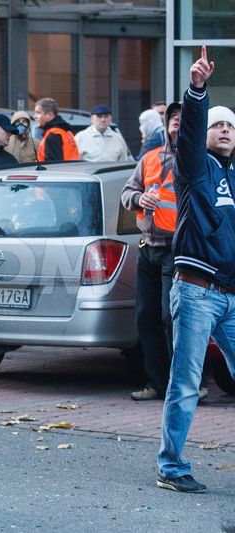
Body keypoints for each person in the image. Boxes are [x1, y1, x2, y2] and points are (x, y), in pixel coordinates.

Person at [157, 46, 235, 494]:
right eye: (217, 124)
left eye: (230, 125)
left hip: (230, 293)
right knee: (185, 382)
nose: (224, 130)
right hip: (195, 289)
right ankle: (171, 467)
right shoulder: (194, 167)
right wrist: (198, 89)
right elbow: (187, 135)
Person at [121, 102, 209, 402]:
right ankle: (156, 383)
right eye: (173, 117)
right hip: (148, 248)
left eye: (183, 119)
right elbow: (126, 193)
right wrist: (138, 198)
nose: (176, 122)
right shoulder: (149, 159)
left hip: (179, 250)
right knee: (146, 318)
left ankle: (188, 385)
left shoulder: (197, 160)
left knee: (171, 317)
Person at [34, 98, 80, 162]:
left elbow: (53, 164)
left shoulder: (53, 134)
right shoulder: (65, 131)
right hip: (71, 169)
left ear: (49, 115)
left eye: (38, 113)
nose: (35, 116)